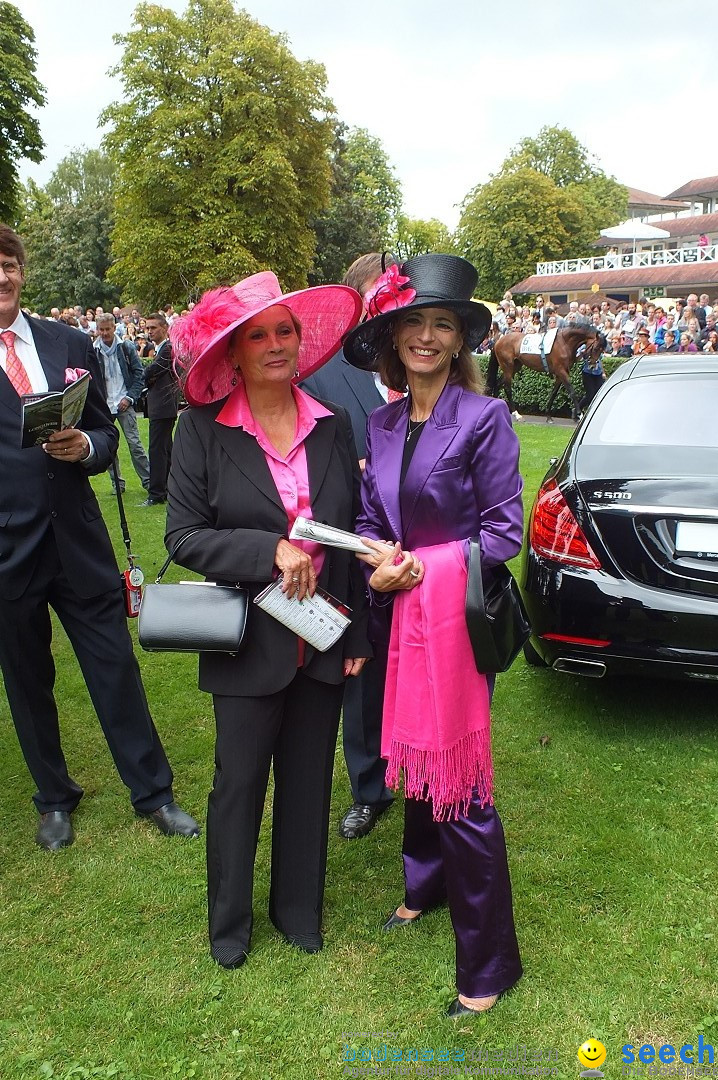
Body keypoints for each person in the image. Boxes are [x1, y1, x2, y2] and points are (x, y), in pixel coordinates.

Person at [166, 270, 369, 969]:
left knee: (310, 781)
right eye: (260, 335)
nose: (278, 344)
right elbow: (183, 536)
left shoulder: (333, 426)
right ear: (235, 352)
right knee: (240, 783)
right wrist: (269, 550)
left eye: (285, 330)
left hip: (322, 635)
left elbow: (347, 536)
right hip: (248, 638)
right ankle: (229, 925)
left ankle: (297, 912)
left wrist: (356, 635)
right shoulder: (201, 431)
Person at [343, 253, 523, 1018]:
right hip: (395, 619)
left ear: (459, 341)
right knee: (408, 758)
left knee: (461, 786)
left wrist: (422, 568)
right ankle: (425, 884)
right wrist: (373, 558)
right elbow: (366, 521)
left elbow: (503, 531)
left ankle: (490, 966)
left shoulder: (484, 420)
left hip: (452, 623)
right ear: (392, 338)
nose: (425, 335)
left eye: (441, 324)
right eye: (413, 322)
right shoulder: (381, 424)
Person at [0, 225, 198, 851]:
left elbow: (107, 435)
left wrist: (87, 446)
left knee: (115, 669)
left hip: (79, 541)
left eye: (8, 263)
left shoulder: (68, 341)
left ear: (22, 272)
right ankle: (53, 798)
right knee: (28, 682)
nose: (2, 276)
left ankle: (154, 793)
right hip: (8, 553)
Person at [301, 253, 396, 841]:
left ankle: (431, 768)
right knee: (362, 674)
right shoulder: (324, 376)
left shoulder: (426, 364)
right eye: (380, 297)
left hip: (425, 556)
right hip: (356, 555)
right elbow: (304, 472)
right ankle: (370, 786)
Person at [94, 312, 151, 495]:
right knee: (109, 447)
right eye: (101, 330)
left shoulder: (125, 347)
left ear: (114, 327)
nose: (104, 333)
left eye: (107, 329)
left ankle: (148, 481)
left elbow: (138, 374)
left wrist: (129, 398)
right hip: (105, 406)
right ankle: (117, 484)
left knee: (135, 445)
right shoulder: (94, 350)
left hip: (124, 402)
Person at [141, 312, 180, 506]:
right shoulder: (161, 348)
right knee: (166, 450)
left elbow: (151, 371)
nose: (149, 332)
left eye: (153, 328)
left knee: (157, 450)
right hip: (163, 406)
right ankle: (169, 489)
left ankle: (156, 494)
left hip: (163, 407)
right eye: (147, 328)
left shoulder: (167, 348)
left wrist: (148, 376)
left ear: (164, 328)